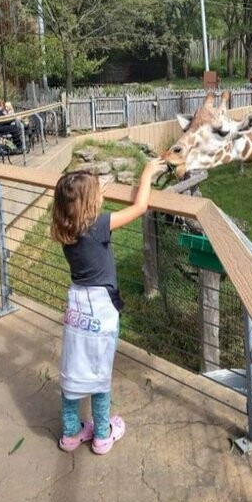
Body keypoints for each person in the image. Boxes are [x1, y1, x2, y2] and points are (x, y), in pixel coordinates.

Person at [50, 158, 165, 455]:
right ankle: (102, 435)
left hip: (77, 307)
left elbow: (80, 208)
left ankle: (71, 434)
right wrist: (147, 173)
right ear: (90, 205)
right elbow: (140, 207)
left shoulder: (66, 228)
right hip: (101, 308)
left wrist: (93, 194)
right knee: (100, 371)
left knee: (73, 370)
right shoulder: (98, 226)